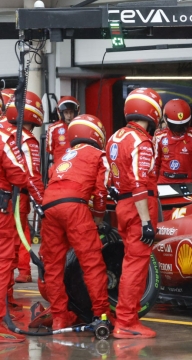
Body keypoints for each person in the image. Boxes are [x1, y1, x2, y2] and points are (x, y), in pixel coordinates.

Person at [40, 114, 110, 330]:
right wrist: (98, 218)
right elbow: (101, 191)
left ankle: (60, 317)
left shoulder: (64, 157)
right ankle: (102, 316)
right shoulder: (99, 154)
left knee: (52, 267)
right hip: (74, 207)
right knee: (91, 262)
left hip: (49, 206)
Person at [106, 87, 162, 338]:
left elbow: (109, 179)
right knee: (136, 265)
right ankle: (127, 322)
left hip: (122, 206)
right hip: (140, 207)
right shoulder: (142, 141)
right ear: (152, 112)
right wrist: (147, 221)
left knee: (130, 262)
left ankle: (122, 317)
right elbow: (140, 182)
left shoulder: (114, 138)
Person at [0, 103, 44, 343]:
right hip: (5, 205)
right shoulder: (14, 139)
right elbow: (22, 174)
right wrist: (44, 202)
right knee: (4, 261)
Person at [4, 91, 46, 284]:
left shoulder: (4, 133)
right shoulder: (27, 140)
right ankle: (21, 274)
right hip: (15, 199)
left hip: (7, 197)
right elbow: (32, 176)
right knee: (14, 244)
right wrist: (43, 203)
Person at [153, 98, 192, 185]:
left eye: (182, 126)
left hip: (189, 181)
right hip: (164, 181)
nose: (178, 129)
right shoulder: (159, 136)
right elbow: (154, 163)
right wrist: (152, 185)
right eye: (175, 126)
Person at [46, 96, 80, 166]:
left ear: (76, 112)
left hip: (77, 166)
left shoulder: (82, 126)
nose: (69, 116)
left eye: (71, 112)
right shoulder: (53, 128)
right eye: (66, 112)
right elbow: (50, 149)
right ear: (61, 113)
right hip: (59, 166)